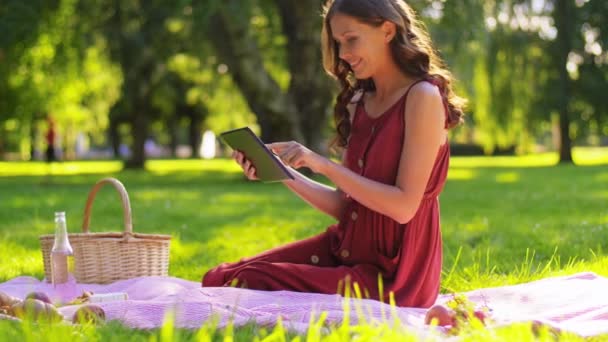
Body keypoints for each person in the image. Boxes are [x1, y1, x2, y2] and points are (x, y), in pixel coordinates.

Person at [202, 0, 465, 308]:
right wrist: (281, 171)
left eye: (351, 39)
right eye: (339, 43)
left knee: (250, 281)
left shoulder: (422, 97)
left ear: (387, 31)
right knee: (221, 278)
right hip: (346, 248)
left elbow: (404, 206)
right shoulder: (358, 102)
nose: (343, 55)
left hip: (395, 275)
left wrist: (322, 164)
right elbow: (346, 207)